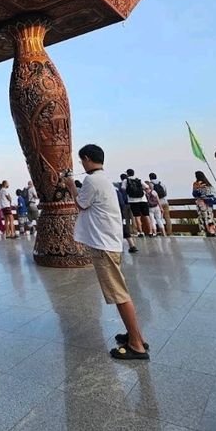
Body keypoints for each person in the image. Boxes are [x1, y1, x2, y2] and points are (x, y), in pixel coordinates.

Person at [68, 144, 149, 360]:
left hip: (104, 245)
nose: (81, 165)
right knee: (121, 290)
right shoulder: (104, 180)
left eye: (81, 160)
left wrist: (69, 185)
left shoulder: (92, 180)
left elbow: (81, 204)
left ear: (86, 159)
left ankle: (136, 346)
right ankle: (136, 335)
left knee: (119, 294)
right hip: (111, 242)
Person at [122, 169, 150, 237]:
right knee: (146, 216)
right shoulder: (139, 179)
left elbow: (123, 188)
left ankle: (141, 232)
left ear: (127, 174)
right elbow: (147, 187)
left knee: (137, 217)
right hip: (142, 199)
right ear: (133, 173)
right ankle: (151, 232)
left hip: (132, 201)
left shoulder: (125, 180)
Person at [192, 171, 216, 237]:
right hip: (210, 204)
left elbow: (195, 194)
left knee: (202, 218)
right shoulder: (208, 184)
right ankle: (212, 232)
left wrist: (195, 188)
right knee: (210, 218)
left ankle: (204, 232)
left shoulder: (197, 183)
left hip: (201, 204)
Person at [115, 181, 137, 253]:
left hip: (114, 213)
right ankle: (132, 245)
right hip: (121, 212)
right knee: (124, 228)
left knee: (115, 229)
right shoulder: (119, 192)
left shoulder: (112, 193)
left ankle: (118, 246)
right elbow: (122, 203)